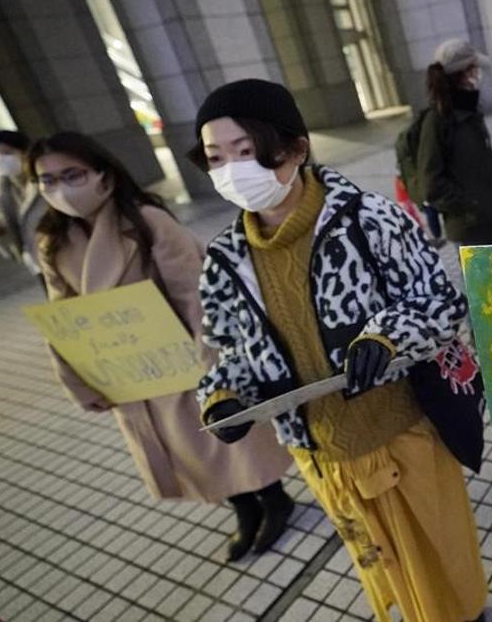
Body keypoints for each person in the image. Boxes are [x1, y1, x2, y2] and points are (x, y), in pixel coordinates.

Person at [191, 79, 488, 622]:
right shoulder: (224, 261)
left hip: (405, 433)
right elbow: (229, 349)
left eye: (250, 151)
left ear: (297, 148)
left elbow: (441, 304)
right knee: (380, 561)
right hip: (322, 453)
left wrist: (388, 337)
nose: (235, 170)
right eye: (216, 157)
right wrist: (225, 397)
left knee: (443, 559)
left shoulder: (368, 219)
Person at [28, 131, 293, 563]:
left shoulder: (148, 222)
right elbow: (63, 321)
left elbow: (197, 294)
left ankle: (274, 500)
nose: (60, 189)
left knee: (228, 442)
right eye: (47, 180)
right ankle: (244, 509)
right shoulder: (53, 241)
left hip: (184, 357)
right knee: (188, 451)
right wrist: (81, 383)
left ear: (103, 175)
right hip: (129, 368)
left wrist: (210, 364)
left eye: (71, 174)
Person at [417, 38, 492, 246]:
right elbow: (431, 184)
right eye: (475, 68)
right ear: (465, 73)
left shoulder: (470, 111)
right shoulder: (437, 121)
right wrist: (470, 207)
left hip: (490, 222)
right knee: (481, 280)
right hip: (470, 229)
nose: (479, 74)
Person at [0, 130, 46, 280]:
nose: (0, 159)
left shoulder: (45, 180)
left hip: (60, 254)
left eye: (7, 152)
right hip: (36, 261)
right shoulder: (5, 187)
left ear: (25, 153)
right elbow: (19, 212)